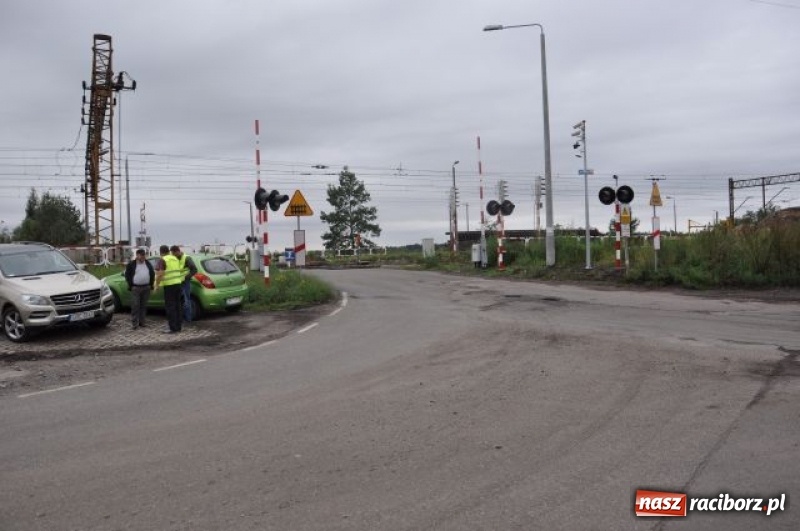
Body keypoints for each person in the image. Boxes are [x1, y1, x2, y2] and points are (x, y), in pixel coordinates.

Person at [124, 248, 155, 330]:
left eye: (144, 255)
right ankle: (134, 324)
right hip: (136, 288)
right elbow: (127, 275)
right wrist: (131, 285)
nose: (143, 257)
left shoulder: (147, 263)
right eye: (141, 256)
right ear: (137, 255)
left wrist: (151, 285)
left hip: (146, 287)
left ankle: (142, 322)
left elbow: (152, 273)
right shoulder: (131, 264)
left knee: (143, 306)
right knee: (135, 305)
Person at [155, 244, 183, 333]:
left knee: (170, 307)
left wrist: (156, 285)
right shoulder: (175, 258)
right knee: (178, 306)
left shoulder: (163, 260)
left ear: (161, 252)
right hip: (178, 284)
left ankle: (173, 328)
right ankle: (179, 327)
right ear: (168, 251)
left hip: (169, 286)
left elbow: (160, 273)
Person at [170, 245, 197, 323]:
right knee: (179, 301)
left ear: (177, 251)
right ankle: (181, 318)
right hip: (177, 282)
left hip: (185, 282)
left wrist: (186, 277)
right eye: (172, 253)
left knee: (186, 301)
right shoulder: (175, 258)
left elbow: (194, 270)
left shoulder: (186, 258)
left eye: (173, 253)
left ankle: (188, 319)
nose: (173, 255)